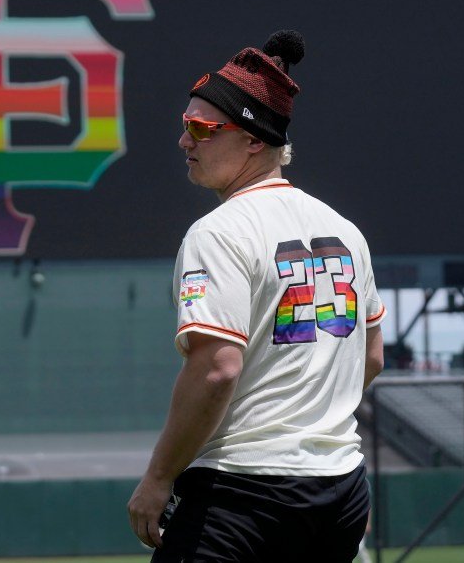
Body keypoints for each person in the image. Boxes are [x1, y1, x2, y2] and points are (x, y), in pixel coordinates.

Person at [127, 30, 387, 562]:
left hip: (244, 493)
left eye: (202, 128)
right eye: (185, 127)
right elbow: (373, 355)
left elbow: (217, 369)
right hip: (339, 490)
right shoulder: (345, 229)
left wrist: (157, 478)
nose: (185, 141)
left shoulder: (219, 232)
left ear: (252, 139)